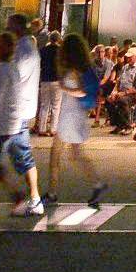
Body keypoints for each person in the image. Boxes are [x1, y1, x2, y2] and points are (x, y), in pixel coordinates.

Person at [0, 21, 43, 223]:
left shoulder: (6, 69)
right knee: (2, 164)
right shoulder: (15, 64)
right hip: (12, 122)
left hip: (1, 126)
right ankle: (21, 196)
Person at [45, 32, 105, 211]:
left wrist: (64, 87)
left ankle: (52, 193)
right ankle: (96, 184)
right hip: (76, 115)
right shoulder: (84, 67)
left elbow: (81, 92)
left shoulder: (73, 70)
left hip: (70, 116)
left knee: (56, 156)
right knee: (74, 154)